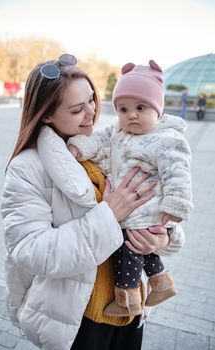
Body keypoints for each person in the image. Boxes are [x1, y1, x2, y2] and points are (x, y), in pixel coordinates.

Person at [1, 54, 185, 350]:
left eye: (92, 100)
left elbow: (154, 199)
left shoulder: (110, 144)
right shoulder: (28, 167)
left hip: (130, 312)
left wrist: (163, 237)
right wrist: (109, 214)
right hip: (79, 321)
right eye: (77, 110)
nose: (91, 113)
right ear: (46, 115)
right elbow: (31, 251)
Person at [68, 60, 192, 317]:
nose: (131, 115)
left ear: (158, 110)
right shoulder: (117, 131)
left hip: (150, 209)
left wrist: (176, 204)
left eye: (141, 107)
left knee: (129, 249)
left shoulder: (166, 139)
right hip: (134, 212)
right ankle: (161, 283)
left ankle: (128, 299)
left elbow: (177, 173)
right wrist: (80, 147)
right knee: (136, 246)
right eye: (123, 109)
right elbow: (99, 140)